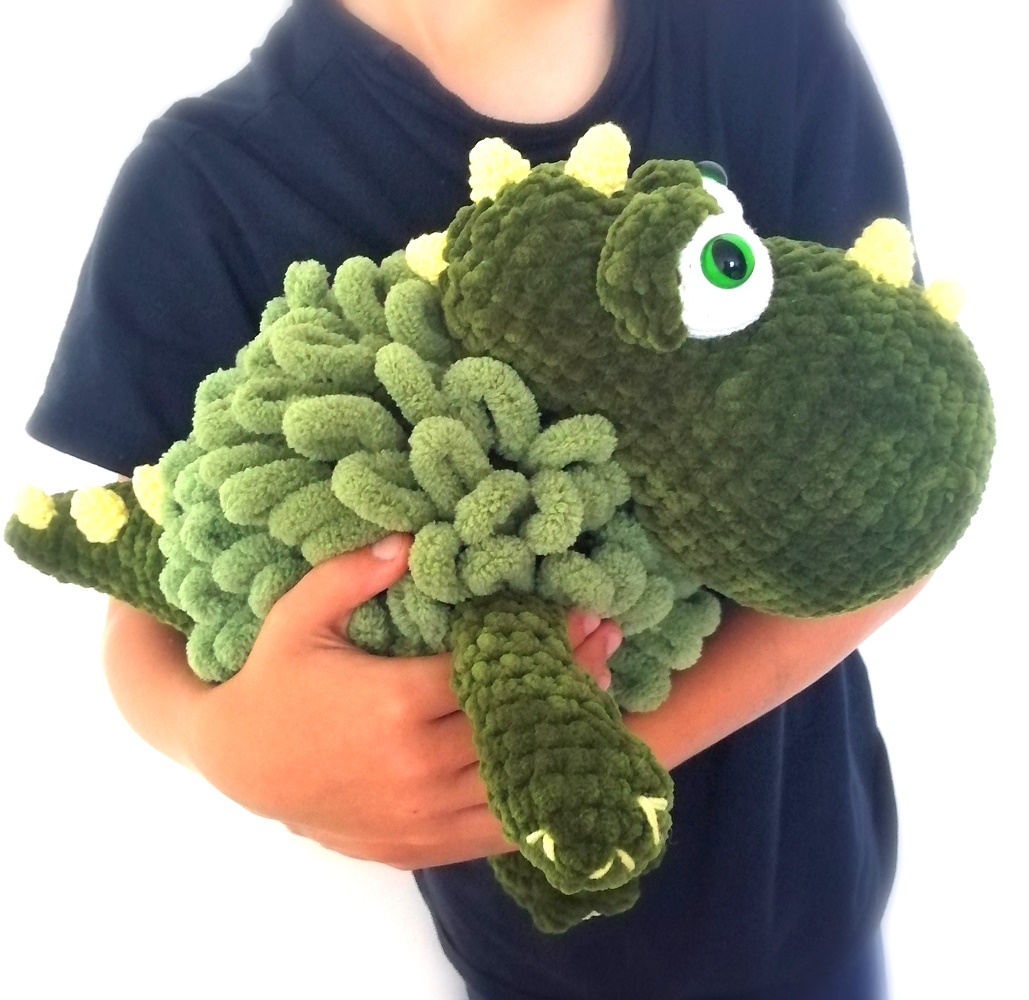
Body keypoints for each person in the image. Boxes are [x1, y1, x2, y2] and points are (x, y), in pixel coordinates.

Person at [26, 0, 925, 996]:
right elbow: (152, 584)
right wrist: (221, 741)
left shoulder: (758, 30)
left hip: (810, 889)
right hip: (530, 963)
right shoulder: (203, 185)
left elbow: (909, 478)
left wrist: (576, 769)